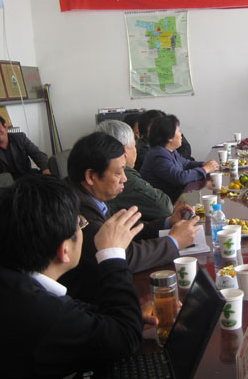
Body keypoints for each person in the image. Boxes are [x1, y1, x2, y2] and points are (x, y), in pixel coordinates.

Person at [0, 175, 146, 378]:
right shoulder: (39, 312)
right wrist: (112, 254)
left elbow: (70, 315)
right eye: (80, 224)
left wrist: (116, 314)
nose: (83, 229)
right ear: (64, 250)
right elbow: (126, 338)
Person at [60, 131, 200, 301]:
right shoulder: (79, 211)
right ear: (91, 176)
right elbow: (122, 256)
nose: (125, 179)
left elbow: (125, 232)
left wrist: (168, 222)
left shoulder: (91, 196)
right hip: (91, 300)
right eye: (118, 173)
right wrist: (174, 241)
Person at [97, 119, 174, 221]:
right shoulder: (124, 176)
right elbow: (164, 207)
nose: (136, 150)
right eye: (134, 146)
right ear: (124, 150)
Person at [141, 114, 219, 203]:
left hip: (175, 197)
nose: (181, 134)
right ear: (169, 137)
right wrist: (205, 169)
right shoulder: (158, 156)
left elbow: (186, 164)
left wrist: (204, 164)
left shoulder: (169, 150)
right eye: (178, 131)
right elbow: (179, 178)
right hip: (164, 203)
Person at [0, 114, 50, 179]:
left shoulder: (20, 138)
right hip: (6, 185)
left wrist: (45, 168)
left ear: (5, 126)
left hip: (28, 177)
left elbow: (37, 154)